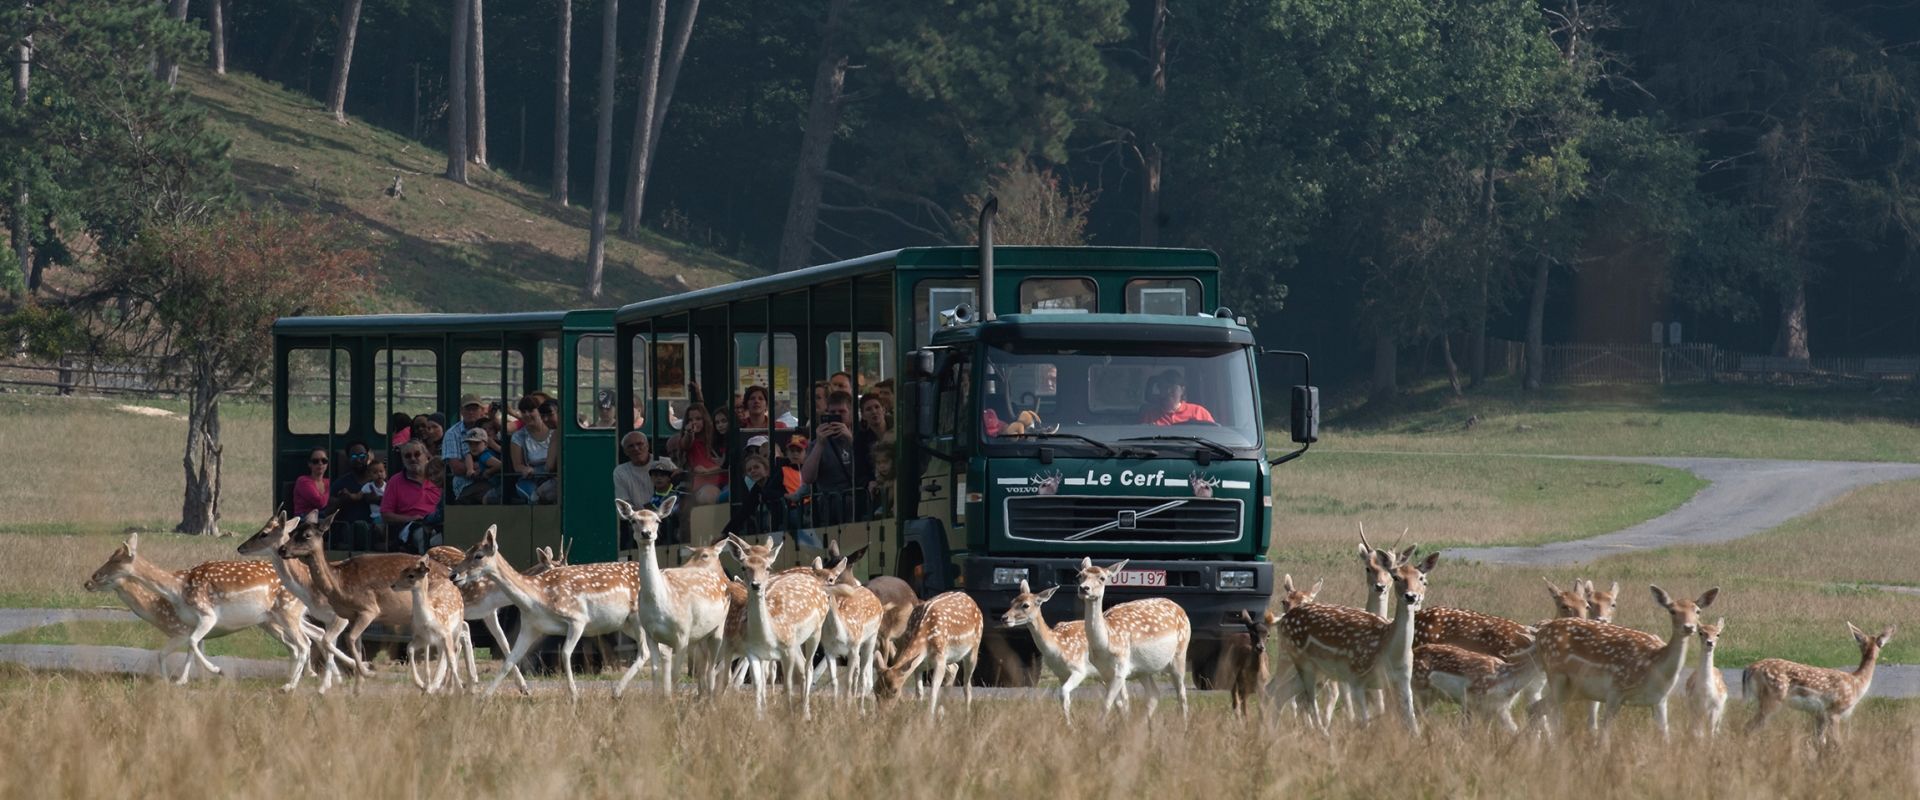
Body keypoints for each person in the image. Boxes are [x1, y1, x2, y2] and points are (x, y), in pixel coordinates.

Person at [801, 391, 857, 525]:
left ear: (851, 413)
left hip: (855, 502)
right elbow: (808, 478)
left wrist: (850, 440)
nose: (837, 416)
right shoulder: (817, 443)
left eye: (842, 412)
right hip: (829, 507)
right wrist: (820, 444)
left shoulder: (858, 438)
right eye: (832, 413)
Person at [382, 441, 443, 553]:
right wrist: (411, 518)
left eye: (417, 454)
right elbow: (386, 515)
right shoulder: (395, 481)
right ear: (403, 459)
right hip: (413, 526)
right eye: (408, 456)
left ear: (426, 456)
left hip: (441, 522)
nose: (413, 459)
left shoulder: (439, 476)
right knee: (427, 536)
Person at [668, 404, 725, 504]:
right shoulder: (691, 441)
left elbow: (725, 464)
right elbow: (686, 443)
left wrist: (708, 470)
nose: (694, 422)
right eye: (690, 420)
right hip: (703, 485)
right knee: (710, 495)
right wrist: (689, 432)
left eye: (698, 419)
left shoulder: (717, 438)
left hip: (724, 481)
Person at [511, 394, 558, 504]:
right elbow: (517, 465)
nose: (527, 414)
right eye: (523, 411)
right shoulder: (519, 436)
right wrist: (525, 469)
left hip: (552, 475)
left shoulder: (554, 431)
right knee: (533, 496)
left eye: (531, 410)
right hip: (532, 477)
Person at [724, 455, 788, 536]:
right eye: (749, 470)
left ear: (766, 469)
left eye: (756, 467)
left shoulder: (777, 481)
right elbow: (743, 512)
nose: (753, 471)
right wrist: (724, 534)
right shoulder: (756, 489)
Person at [444, 394, 487, 499]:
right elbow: (456, 468)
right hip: (466, 485)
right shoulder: (452, 433)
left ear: (482, 410)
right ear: (461, 411)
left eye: (475, 408)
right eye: (468, 409)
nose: (471, 412)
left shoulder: (490, 428)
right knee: (495, 493)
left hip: (490, 479)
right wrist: (485, 465)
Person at [1140, 370, 1215, 425]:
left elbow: (1212, 435)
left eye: (1172, 388)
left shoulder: (1198, 412)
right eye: (1164, 387)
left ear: (1182, 390)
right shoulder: (1151, 415)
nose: (1168, 391)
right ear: (1159, 390)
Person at [329, 442, 376, 526]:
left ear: (367, 457)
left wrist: (378, 499)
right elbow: (328, 512)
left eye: (362, 456)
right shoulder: (340, 484)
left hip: (374, 531)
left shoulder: (379, 482)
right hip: (347, 532)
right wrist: (341, 501)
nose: (358, 460)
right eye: (354, 457)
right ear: (348, 459)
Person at [458, 428, 502, 504]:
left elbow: (499, 465)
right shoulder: (481, 454)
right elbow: (468, 455)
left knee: (484, 499)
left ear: (485, 444)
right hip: (494, 484)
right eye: (470, 444)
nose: (473, 446)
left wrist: (488, 472)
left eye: (477, 443)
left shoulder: (484, 456)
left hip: (497, 486)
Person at [613, 431, 655, 509]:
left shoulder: (665, 463)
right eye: (630, 446)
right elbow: (624, 503)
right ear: (625, 452)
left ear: (647, 446)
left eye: (640, 444)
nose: (636, 448)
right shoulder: (620, 471)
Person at [292, 447, 331, 517]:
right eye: (316, 461)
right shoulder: (303, 481)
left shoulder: (328, 482)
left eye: (324, 460)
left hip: (322, 518)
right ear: (310, 464)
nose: (320, 463)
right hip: (304, 520)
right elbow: (320, 503)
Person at [360, 460, 388, 527]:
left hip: (387, 515)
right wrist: (349, 495)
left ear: (385, 473)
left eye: (381, 471)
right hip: (376, 516)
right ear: (370, 475)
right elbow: (358, 495)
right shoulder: (368, 486)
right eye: (375, 472)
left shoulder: (388, 486)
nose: (379, 474)